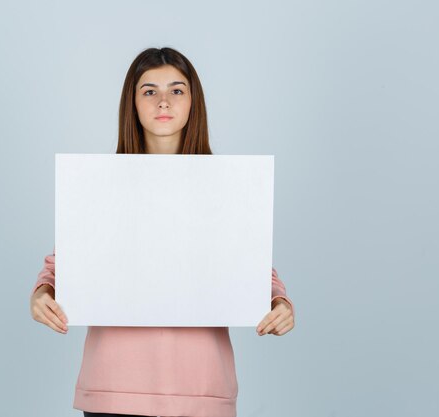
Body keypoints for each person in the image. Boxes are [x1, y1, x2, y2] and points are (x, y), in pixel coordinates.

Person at [30, 47, 295, 417]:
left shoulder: (227, 186)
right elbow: (65, 262)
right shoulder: (101, 184)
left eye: (177, 90)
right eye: (149, 91)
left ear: (192, 103)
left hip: (202, 389)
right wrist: (42, 293)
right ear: (133, 104)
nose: (163, 101)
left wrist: (279, 303)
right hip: (114, 387)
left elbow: (251, 265)